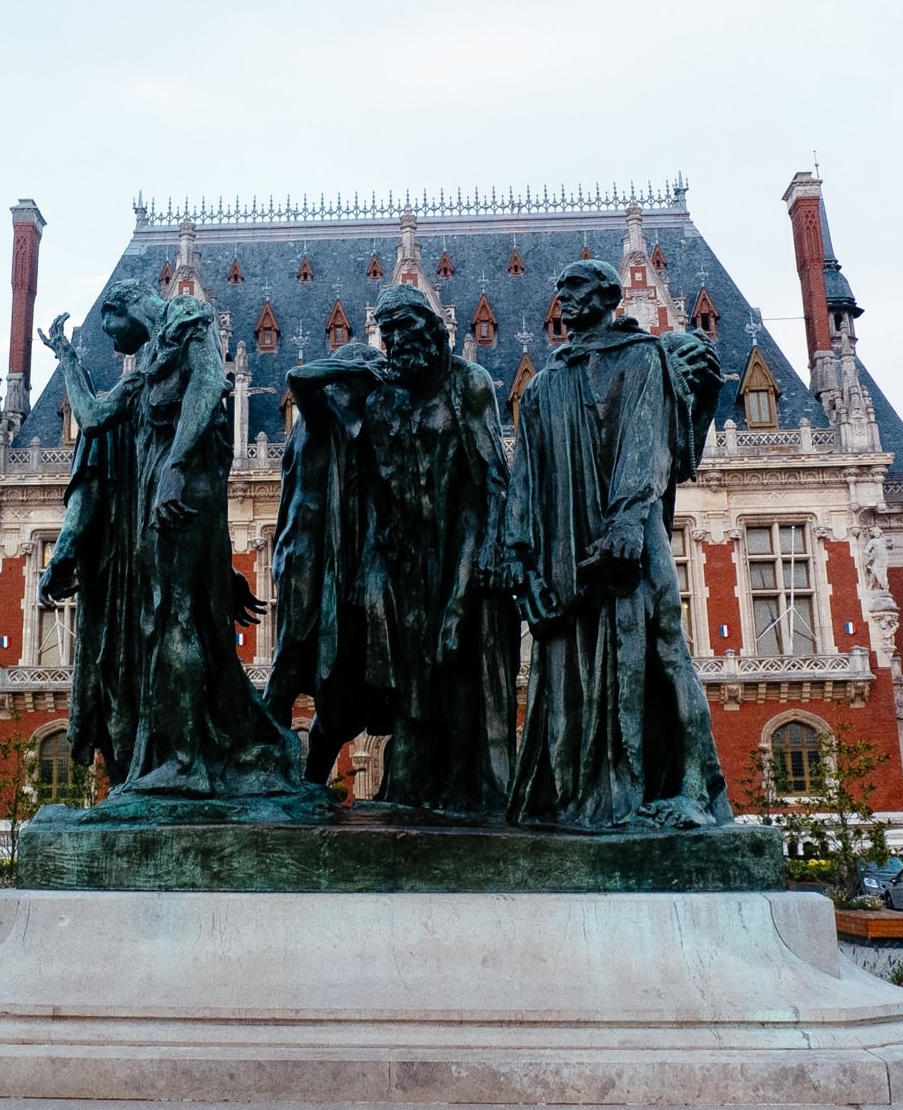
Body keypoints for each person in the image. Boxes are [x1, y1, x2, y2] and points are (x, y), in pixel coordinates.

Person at [38, 279, 302, 800]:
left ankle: (185, 764)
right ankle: (184, 752)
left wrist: (176, 466)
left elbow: (207, 386)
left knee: (171, 618)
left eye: (111, 329)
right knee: (166, 623)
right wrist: (68, 357)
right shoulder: (151, 359)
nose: (114, 345)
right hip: (167, 499)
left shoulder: (187, 319)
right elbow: (92, 418)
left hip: (177, 493)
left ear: (125, 308)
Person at [268, 285, 515, 816]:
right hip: (398, 566)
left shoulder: (470, 384)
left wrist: (481, 566)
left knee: (456, 671)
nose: (397, 343)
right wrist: (372, 573)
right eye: (389, 334)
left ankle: (467, 794)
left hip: (460, 554)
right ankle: (409, 788)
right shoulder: (385, 400)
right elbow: (379, 491)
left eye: (406, 330)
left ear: (433, 329)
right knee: (408, 691)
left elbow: (494, 482)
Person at [505, 259, 733, 830]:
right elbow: (524, 483)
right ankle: (579, 794)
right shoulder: (544, 385)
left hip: (630, 537)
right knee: (565, 668)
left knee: (664, 648)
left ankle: (697, 790)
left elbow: (649, 446)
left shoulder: (641, 358)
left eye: (577, 288)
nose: (565, 299)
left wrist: (628, 521)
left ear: (608, 295)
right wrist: (522, 561)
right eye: (562, 290)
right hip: (565, 550)